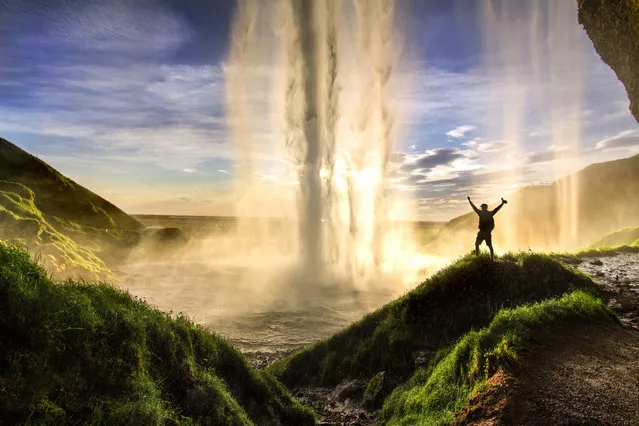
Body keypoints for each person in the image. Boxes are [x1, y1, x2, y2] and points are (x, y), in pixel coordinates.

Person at [467, 196, 507, 260]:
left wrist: (469, 201)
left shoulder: (481, 213)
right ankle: (492, 259)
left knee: (478, 244)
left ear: (484, 208)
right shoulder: (490, 213)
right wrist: (502, 204)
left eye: (482, 207)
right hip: (487, 233)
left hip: (482, 232)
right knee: (488, 246)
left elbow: (474, 208)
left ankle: (479, 257)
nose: (482, 208)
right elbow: (497, 209)